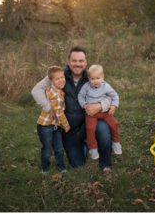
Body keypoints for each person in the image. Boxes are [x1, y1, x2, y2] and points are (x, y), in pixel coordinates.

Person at [31, 46, 115, 174]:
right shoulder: (59, 75)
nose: (78, 64)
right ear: (69, 61)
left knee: (103, 129)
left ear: (86, 62)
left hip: (89, 120)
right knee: (77, 163)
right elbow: (36, 90)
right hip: (69, 128)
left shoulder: (91, 75)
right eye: (74, 61)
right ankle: (86, 144)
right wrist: (49, 107)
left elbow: (110, 95)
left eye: (81, 61)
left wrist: (100, 105)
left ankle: (105, 164)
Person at [77, 64, 123, 160]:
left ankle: (116, 142)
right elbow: (80, 96)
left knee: (114, 124)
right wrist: (84, 105)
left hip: (104, 112)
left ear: (102, 77)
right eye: (92, 78)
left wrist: (114, 105)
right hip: (91, 114)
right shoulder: (86, 86)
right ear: (89, 79)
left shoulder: (106, 86)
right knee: (90, 129)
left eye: (98, 78)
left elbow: (115, 96)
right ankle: (93, 148)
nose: (95, 81)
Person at [36, 66, 71, 174]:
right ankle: (45, 168)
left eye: (62, 77)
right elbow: (59, 113)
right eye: (57, 79)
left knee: (59, 148)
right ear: (51, 81)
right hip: (45, 125)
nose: (61, 80)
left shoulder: (59, 91)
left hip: (55, 125)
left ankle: (61, 167)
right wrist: (66, 125)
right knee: (47, 149)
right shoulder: (55, 94)